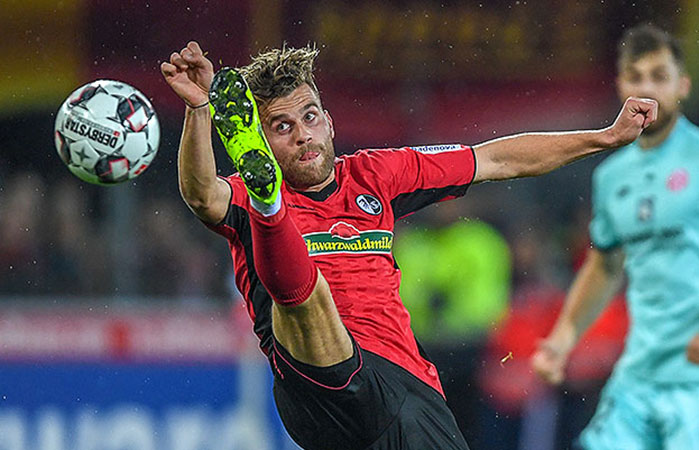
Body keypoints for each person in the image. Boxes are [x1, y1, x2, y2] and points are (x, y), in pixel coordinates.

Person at [160, 40, 655, 450]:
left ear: (329, 122)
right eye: (282, 127)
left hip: (405, 387)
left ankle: (273, 215)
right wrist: (199, 109)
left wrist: (605, 138)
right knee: (308, 299)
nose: (304, 136)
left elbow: (496, 159)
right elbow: (202, 194)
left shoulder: (376, 175)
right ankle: (272, 213)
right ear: (260, 144)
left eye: (309, 118)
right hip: (316, 382)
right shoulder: (240, 194)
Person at [532, 24, 699, 449]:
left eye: (659, 77)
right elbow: (605, 267)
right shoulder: (611, 177)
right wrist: (562, 340)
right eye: (635, 77)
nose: (647, 90)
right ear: (620, 85)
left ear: (683, 85)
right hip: (640, 375)